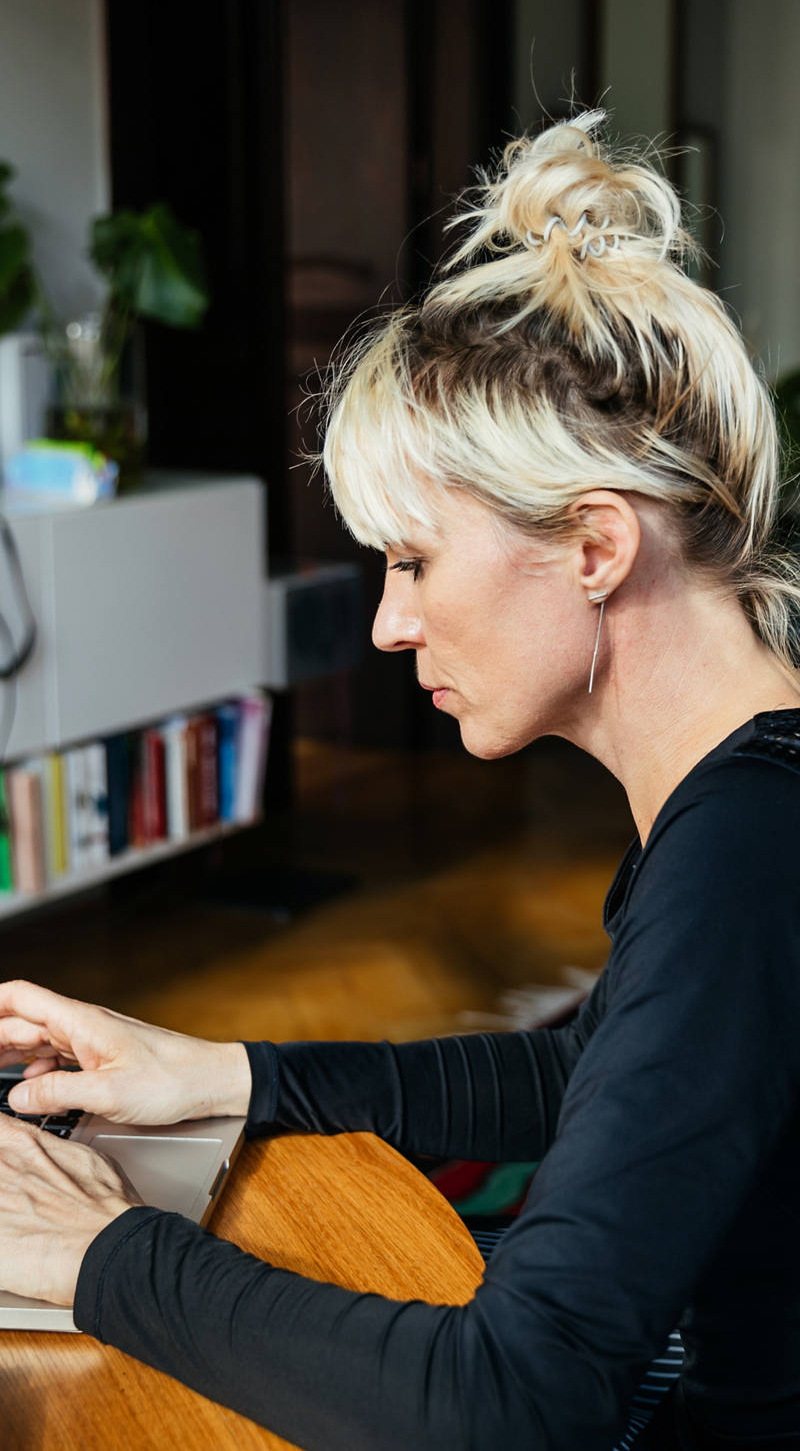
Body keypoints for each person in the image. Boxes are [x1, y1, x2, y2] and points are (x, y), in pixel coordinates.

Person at [1, 109, 799, 1451]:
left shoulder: (747, 857)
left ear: (596, 546)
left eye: (414, 561)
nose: (385, 624)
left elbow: (512, 1406)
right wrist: (226, 1075)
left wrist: (101, 1255)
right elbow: (597, 1076)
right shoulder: (748, 803)